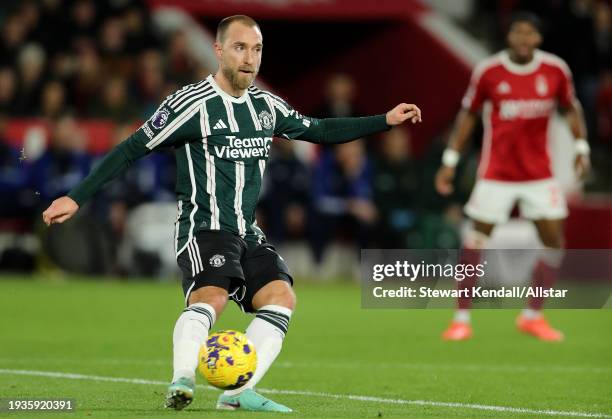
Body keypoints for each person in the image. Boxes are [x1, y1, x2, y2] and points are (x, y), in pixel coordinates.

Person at [42, 15, 422, 412]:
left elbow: (319, 130)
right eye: (240, 48)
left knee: (281, 297)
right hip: (203, 228)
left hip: (246, 231)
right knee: (213, 298)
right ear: (219, 51)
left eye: (256, 49)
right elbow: (132, 147)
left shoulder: (265, 106)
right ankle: (183, 379)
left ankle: (237, 393)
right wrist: (76, 197)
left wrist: (384, 121)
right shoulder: (191, 104)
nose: (249, 58)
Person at [435, 12, 589, 342]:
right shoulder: (489, 71)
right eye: (517, 32)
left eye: (529, 33)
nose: (522, 39)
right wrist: (450, 160)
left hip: (539, 175)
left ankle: (532, 316)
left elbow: (570, 107)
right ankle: (461, 319)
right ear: (509, 36)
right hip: (497, 174)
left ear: (538, 38)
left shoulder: (555, 70)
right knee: (476, 240)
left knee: (553, 242)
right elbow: (469, 115)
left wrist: (581, 146)